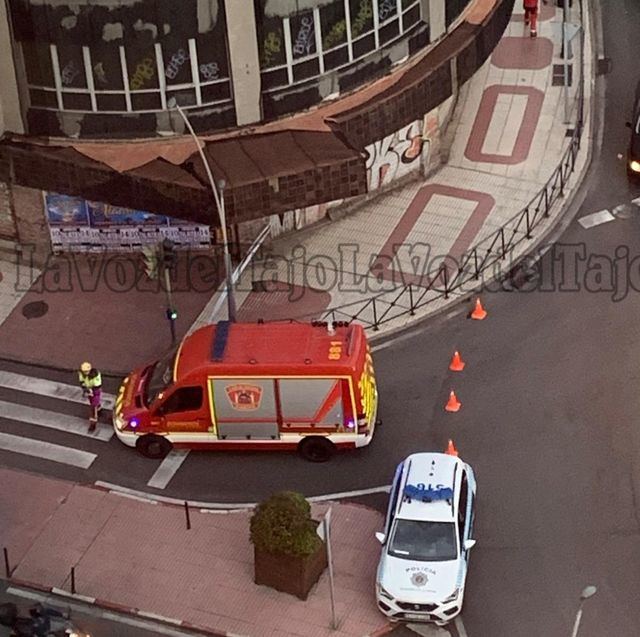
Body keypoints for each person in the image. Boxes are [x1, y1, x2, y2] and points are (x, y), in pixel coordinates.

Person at [78, 361, 102, 431]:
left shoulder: (95, 375)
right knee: (92, 402)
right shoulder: (82, 374)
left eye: (86, 371)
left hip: (95, 390)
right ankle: (99, 409)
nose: (85, 373)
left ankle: (93, 423)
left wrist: (91, 390)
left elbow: (97, 385)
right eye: (84, 371)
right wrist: (86, 389)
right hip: (89, 390)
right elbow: (82, 381)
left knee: (93, 407)